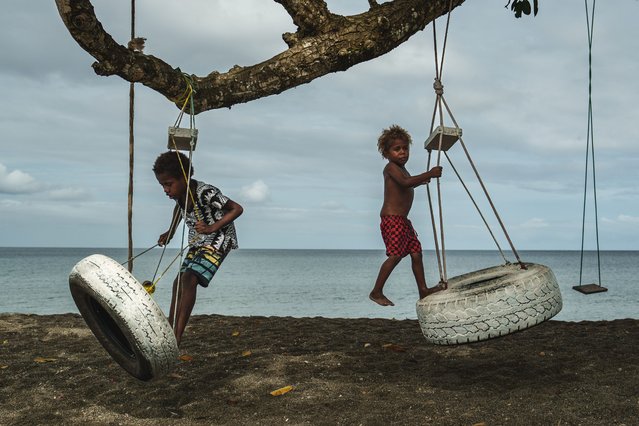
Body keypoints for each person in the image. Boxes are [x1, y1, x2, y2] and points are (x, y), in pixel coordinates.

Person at [153, 150, 243, 346]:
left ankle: (176, 337)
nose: (166, 190)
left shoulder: (206, 192)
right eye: (162, 185)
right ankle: (170, 331)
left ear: (184, 177)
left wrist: (212, 227)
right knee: (179, 283)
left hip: (219, 239)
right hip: (199, 241)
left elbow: (237, 208)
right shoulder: (179, 196)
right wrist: (171, 231)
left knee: (189, 278)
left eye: (169, 184)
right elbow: (179, 207)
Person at [369, 125, 446, 307]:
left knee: (416, 253)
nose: (402, 152)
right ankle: (376, 291)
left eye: (405, 148)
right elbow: (405, 183)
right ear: (386, 153)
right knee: (395, 255)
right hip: (392, 220)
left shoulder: (403, 170)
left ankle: (423, 290)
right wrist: (429, 174)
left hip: (403, 221)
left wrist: (421, 181)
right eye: (397, 149)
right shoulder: (391, 168)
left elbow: (406, 185)